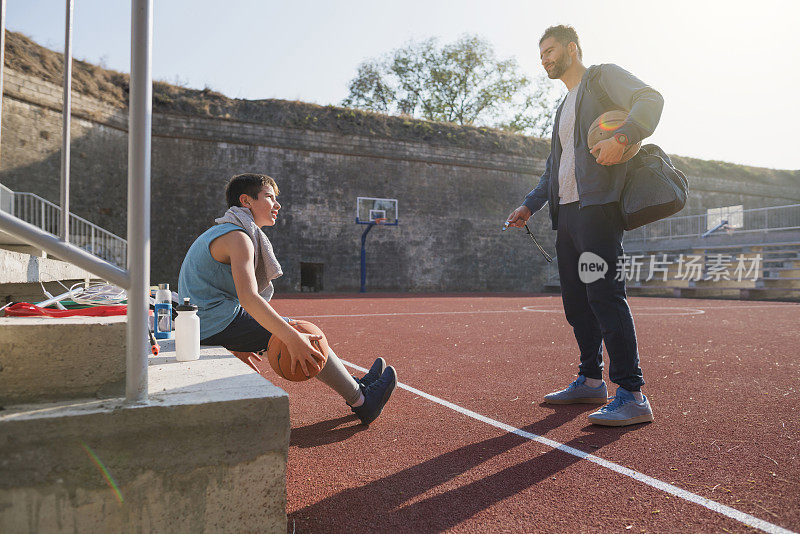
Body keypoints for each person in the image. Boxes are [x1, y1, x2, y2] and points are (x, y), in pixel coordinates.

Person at [506, 25, 663, 426]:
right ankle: (591, 380)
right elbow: (553, 169)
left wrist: (625, 137)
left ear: (572, 49)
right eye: (540, 53)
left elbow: (650, 97)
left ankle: (631, 392)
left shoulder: (602, 77)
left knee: (605, 297)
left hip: (598, 212)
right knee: (577, 303)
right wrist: (530, 205)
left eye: (550, 50)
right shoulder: (562, 108)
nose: (543, 58)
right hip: (570, 219)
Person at [178, 173, 397, 425]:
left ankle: (356, 385)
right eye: (270, 197)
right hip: (213, 321)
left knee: (296, 330)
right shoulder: (238, 238)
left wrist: (241, 340)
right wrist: (290, 338)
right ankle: (363, 401)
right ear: (246, 201)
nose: (278, 205)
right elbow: (248, 297)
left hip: (206, 319)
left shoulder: (225, 232)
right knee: (303, 333)